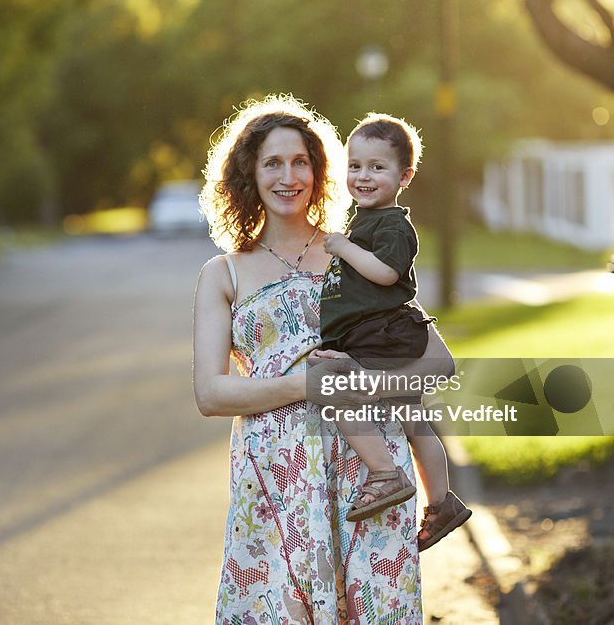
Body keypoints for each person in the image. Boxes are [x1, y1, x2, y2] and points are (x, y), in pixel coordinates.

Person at [192, 94, 454, 624]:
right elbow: (210, 394)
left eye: (300, 162)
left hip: (371, 480)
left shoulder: (356, 251)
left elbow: (437, 364)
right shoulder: (225, 274)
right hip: (277, 483)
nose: (288, 176)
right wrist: (307, 386)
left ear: (318, 170)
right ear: (249, 173)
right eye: (272, 163)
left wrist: (359, 384)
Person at [313, 113, 471, 551]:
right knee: (415, 418)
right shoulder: (366, 221)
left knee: (338, 392)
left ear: (405, 176)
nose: (363, 176)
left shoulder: (393, 226)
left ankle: (384, 473)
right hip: (377, 332)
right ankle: (442, 502)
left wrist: (343, 247)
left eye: (377, 168)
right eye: (355, 165)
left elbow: (384, 274)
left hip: (384, 334)